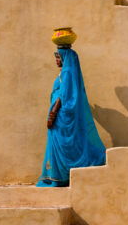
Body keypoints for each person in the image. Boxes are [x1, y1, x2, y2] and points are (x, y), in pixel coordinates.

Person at [36, 44, 106, 187]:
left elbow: (63, 96)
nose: (56, 60)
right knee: (67, 144)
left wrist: (53, 114)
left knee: (64, 145)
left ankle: (61, 176)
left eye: (58, 57)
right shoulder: (66, 72)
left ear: (65, 57)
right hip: (61, 115)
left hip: (61, 116)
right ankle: (63, 175)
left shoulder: (67, 72)